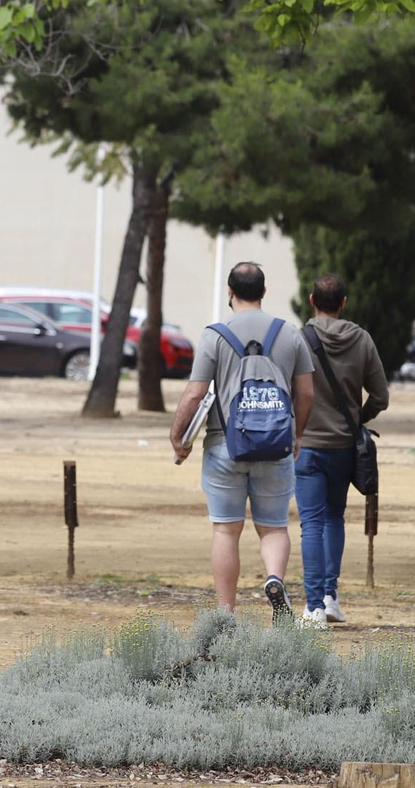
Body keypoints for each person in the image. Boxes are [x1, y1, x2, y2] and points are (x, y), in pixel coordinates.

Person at [170, 262, 315, 621]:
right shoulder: (290, 333)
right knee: (274, 527)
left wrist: (178, 436)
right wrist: (296, 434)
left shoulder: (214, 335)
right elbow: (307, 392)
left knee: (226, 528)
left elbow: (195, 394)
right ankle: (274, 579)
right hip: (277, 445)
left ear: (230, 293)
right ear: (264, 292)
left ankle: (226, 614)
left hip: (224, 445)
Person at [296, 274, 389, 627]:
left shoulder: (298, 339)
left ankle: (313, 606)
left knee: (311, 524)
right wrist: (356, 419)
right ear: (344, 302)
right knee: (334, 518)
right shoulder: (362, 340)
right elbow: (381, 396)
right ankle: (330, 598)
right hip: (344, 447)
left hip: (307, 444)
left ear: (311, 300)